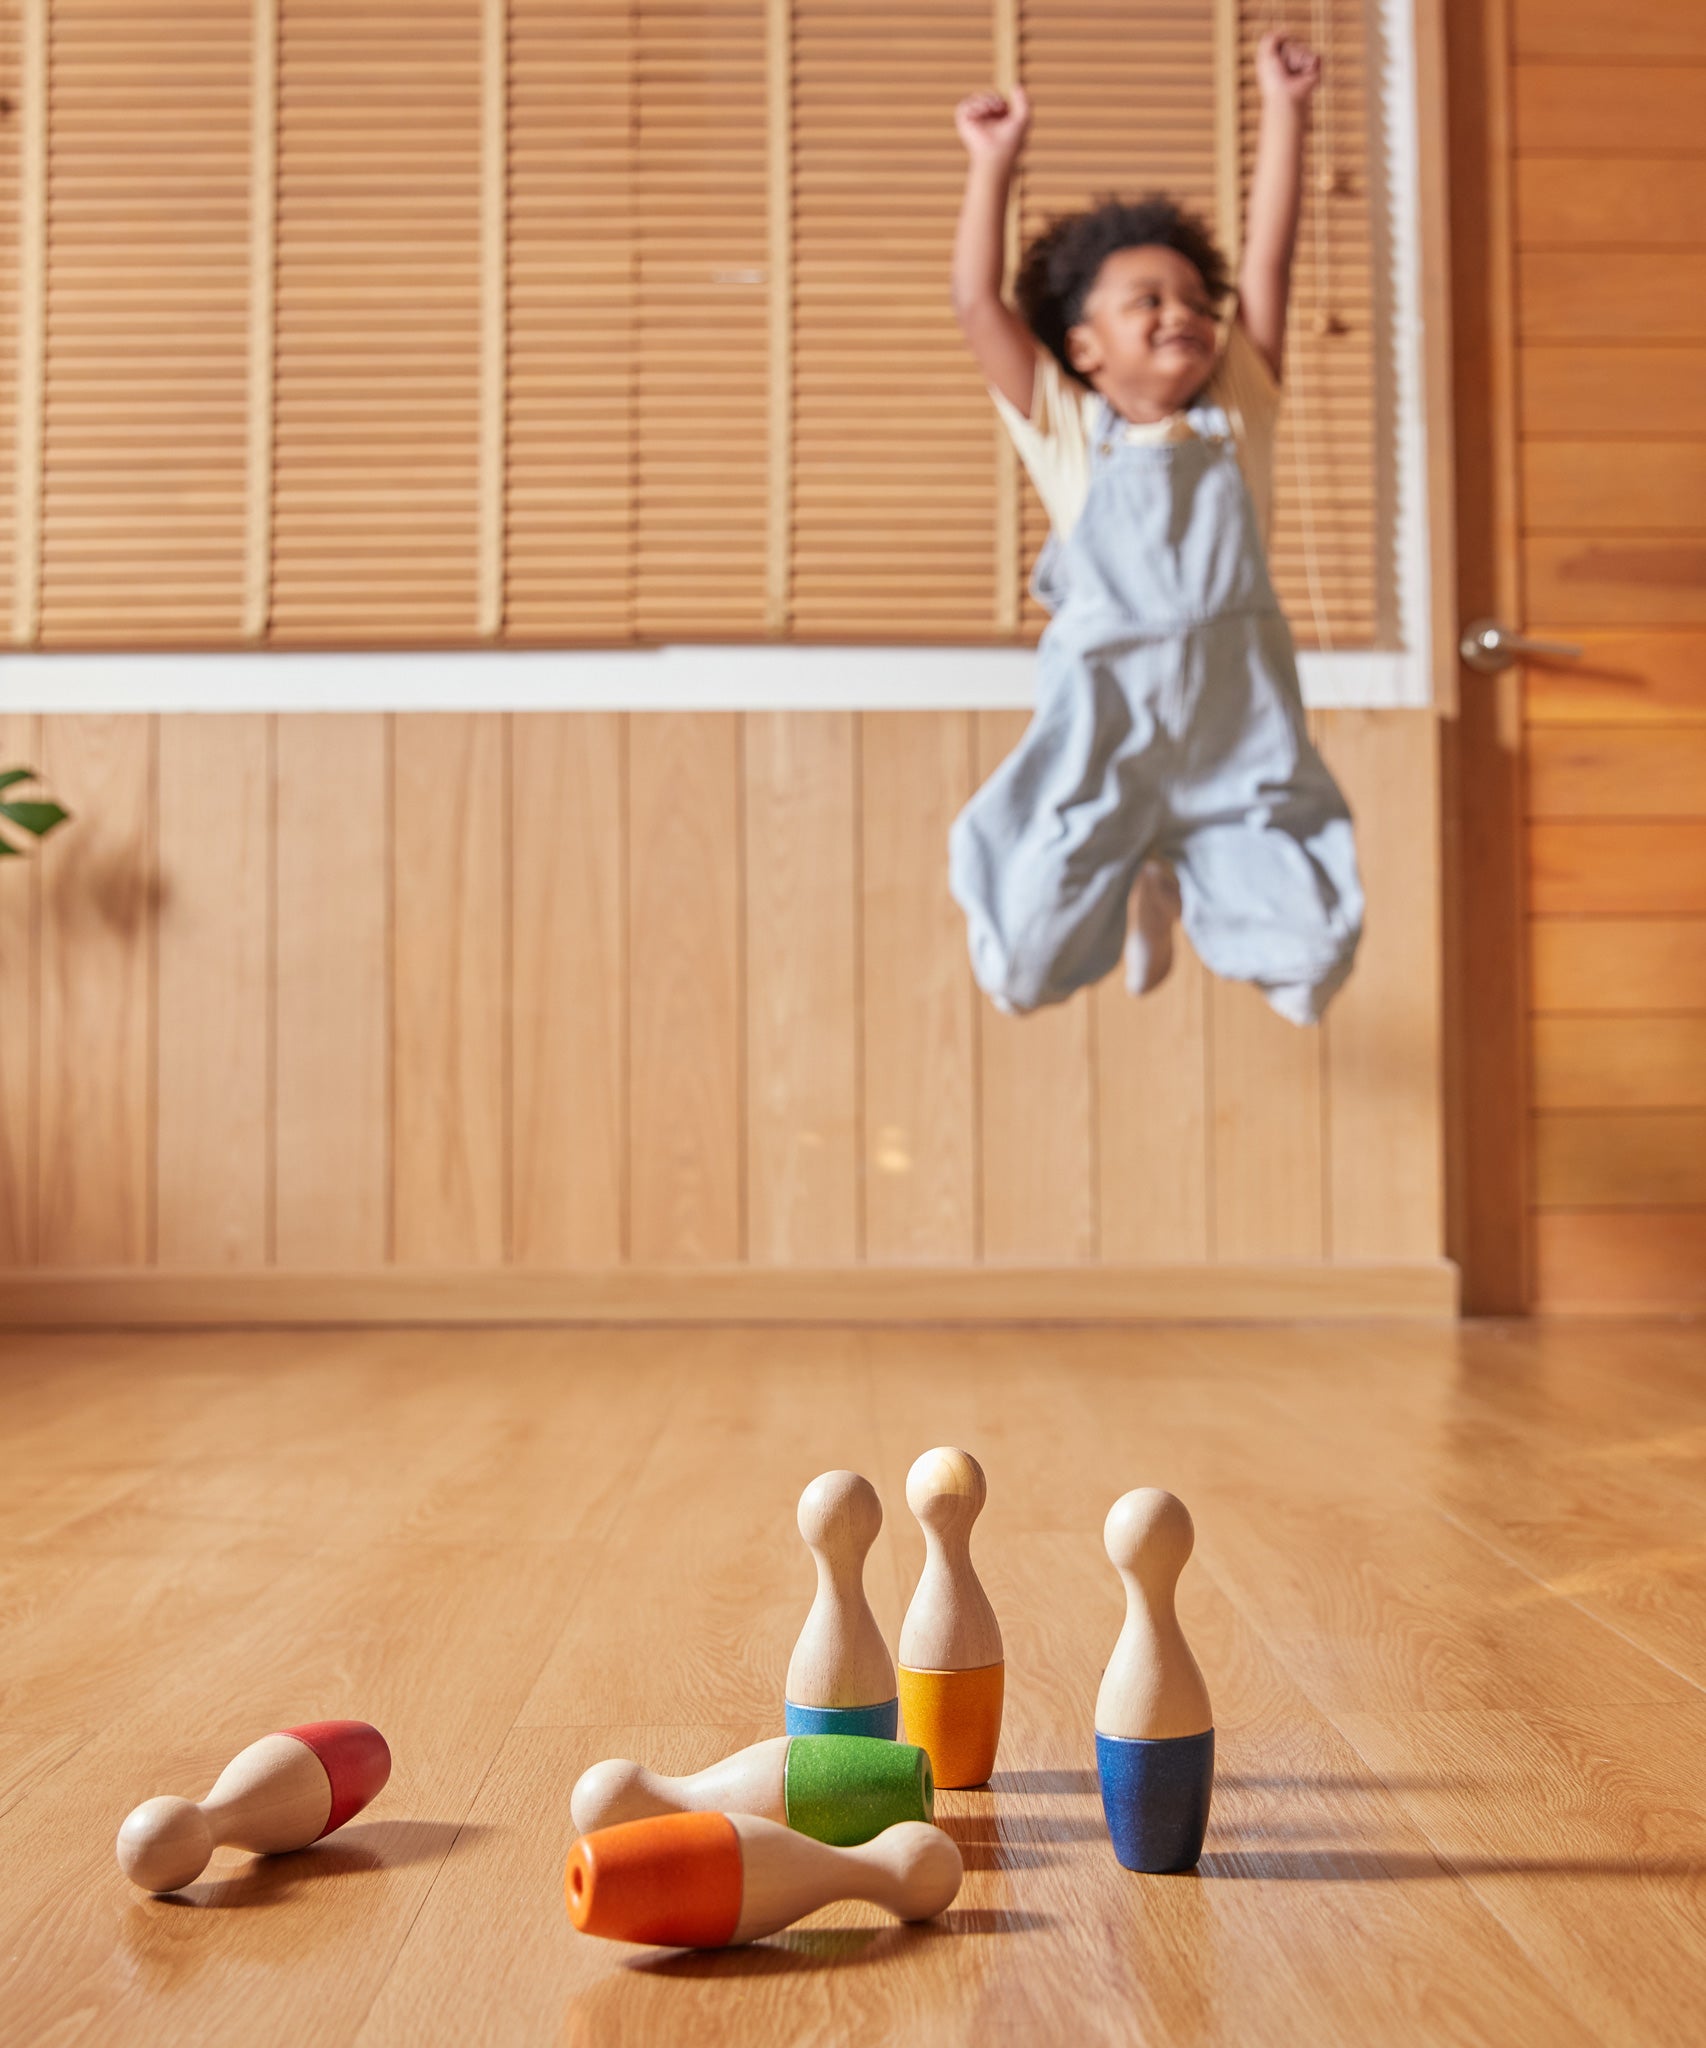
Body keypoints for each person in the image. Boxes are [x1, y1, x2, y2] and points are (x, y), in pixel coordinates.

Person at [946, 33, 1363, 1028]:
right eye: (1145, 302)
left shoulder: (1240, 410)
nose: (1178, 313)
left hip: (1238, 721)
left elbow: (1268, 255)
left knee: (1311, 964)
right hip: (1105, 722)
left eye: (1190, 300)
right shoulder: (1069, 433)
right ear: (1082, 348)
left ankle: (1173, 868)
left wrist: (1286, 110)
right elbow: (974, 301)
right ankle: (1133, 865)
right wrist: (991, 163)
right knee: (1022, 967)